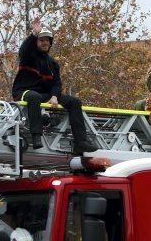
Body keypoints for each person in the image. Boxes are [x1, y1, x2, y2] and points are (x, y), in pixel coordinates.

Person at [11, 18, 98, 156]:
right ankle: (36, 136)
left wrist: (54, 96)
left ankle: (80, 142)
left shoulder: (53, 64)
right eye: (41, 40)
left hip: (44, 95)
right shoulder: (29, 56)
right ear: (36, 42)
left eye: (47, 40)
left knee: (75, 102)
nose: (45, 42)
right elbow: (23, 50)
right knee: (34, 96)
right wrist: (34, 34)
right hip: (23, 91)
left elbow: (57, 84)